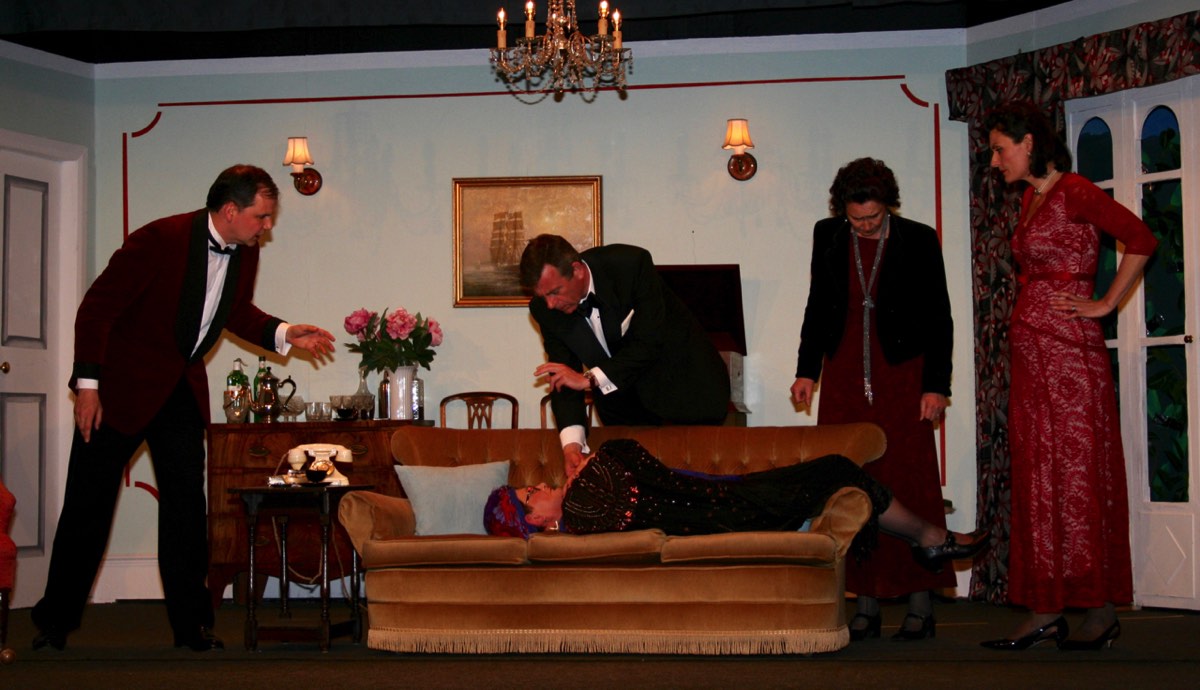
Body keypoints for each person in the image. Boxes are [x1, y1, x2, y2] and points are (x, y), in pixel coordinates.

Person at [31, 165, 337, 653]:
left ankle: (192, 628)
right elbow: (97, 308)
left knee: (187, 512)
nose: (266, 227)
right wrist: (88, 385)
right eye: (261, 217)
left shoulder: (245, 250)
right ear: (231, 210)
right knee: (87, 508)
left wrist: (283, 332)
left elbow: (234, 311)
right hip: (119, 390)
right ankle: (54, 623)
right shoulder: (158, 239)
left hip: (179, 390)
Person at [980, 102, 1156, 651]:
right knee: (1041, 477)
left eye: (1000, 150)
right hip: (1034, 357)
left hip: (1069, 358)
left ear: (1029, 143)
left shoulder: (1075, 190)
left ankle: (1096, 609)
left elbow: (1141, 239)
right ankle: (1049, 607)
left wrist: (1104, 303)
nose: (994, 161)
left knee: (1076, 476)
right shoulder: (1032, 196)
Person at [789, 158, 955, 641]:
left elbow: (939, 316)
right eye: (856, 218)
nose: (863, 226)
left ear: (889, 206)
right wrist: (806, 370)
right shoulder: (827, 235)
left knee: (907, 478)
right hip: (843, 373)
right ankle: (864, 601)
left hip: (902, 374)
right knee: (851, 483)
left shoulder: (918, 238)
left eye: (873, 218)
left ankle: (920, 602)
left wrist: (936, 385)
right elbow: (817, 305)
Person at [483, 439, 991, 575]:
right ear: (536, 520)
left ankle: (928, 540)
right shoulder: (583, 509)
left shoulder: (585, 502)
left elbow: (632, 465)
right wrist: (590, 462)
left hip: (730, 500)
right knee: (838, 467)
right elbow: (624, 451)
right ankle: (929, 538)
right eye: (530, 494)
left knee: (840, 472)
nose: (541, 483)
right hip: (731, 509)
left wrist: (589, 463)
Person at [519, 234, 731, 477]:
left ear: (577, 270)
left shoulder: (630, 265)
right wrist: (571, 445)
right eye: (543, 296)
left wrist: (589, 379)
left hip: (687, 394)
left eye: (555, 292)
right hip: (624, 415)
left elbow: (649, 344)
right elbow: (563, 376)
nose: (550, 304)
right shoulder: (545, 310)